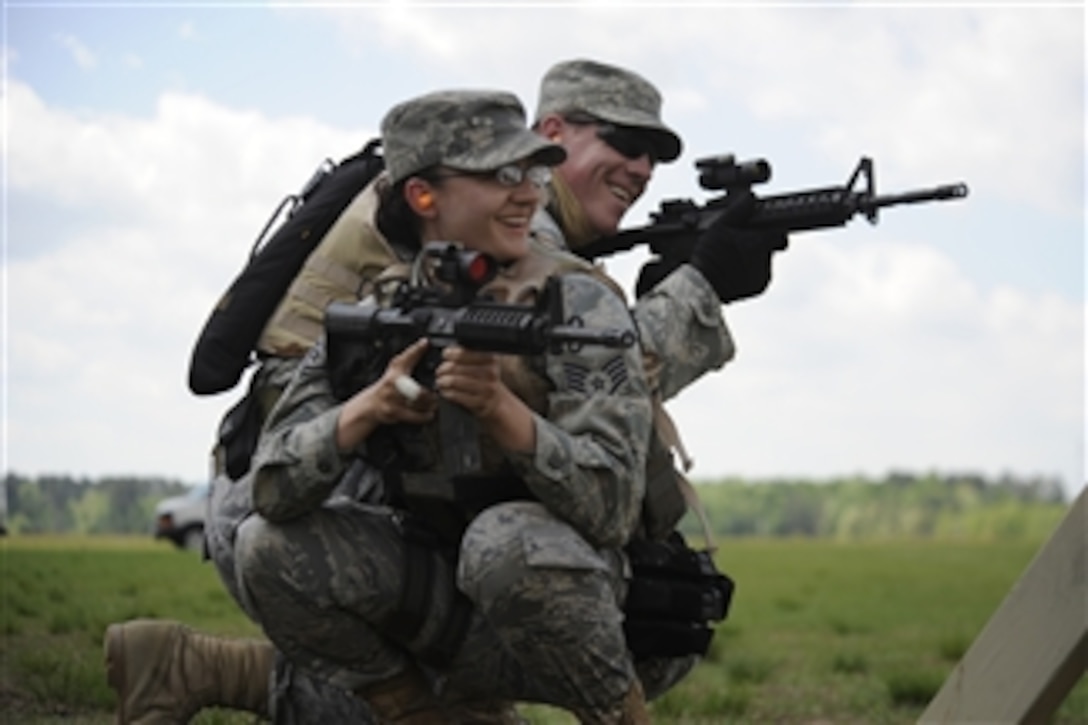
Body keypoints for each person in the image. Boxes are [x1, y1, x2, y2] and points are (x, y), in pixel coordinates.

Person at [105, 59, 784, 723]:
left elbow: (602, 403)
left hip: (497, 549)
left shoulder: (529, 266)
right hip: (346, 508)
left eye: (530, 170)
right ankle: (380, 704)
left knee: (506, 549)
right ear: (424, 197)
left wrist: (501, 408)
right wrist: (366, 409)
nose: (528, 192)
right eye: (624, 143)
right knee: (359, 568)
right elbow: (278, 491)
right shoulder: (395, 295)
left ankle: (200, 667)